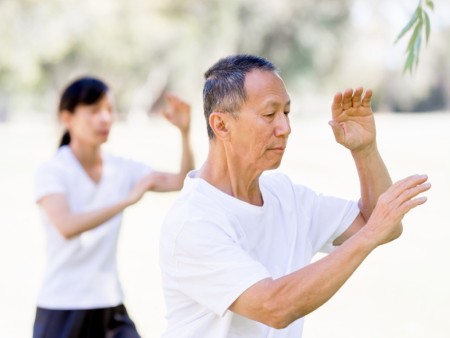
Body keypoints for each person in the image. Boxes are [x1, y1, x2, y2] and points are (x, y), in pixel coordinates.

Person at [159, 54, 431, 338]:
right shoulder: (192, 222)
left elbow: (379, 225)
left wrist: (364, 150)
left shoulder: (285, 195)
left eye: (286, 113)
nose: (285, 128)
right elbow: (274, 307)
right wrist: (370, 233)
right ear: (221, 125)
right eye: (269, 115)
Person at [33, 76, 194, 338]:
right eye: (94, 111)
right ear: (67, 118)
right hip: (62, 307)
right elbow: (66, 225)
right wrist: (127, 200)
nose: (105, 118)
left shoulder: (121, 168)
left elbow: (182, 181)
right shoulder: (53, 171)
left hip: (110, 305)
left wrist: (185, 132)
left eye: (109, 109)